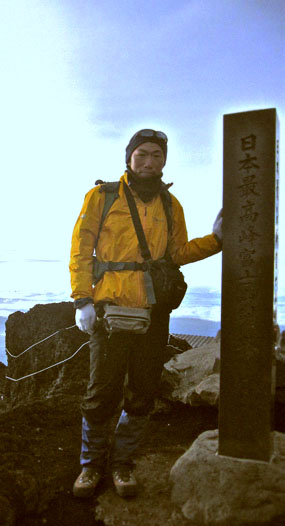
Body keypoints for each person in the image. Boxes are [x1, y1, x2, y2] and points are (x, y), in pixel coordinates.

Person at [69, 128, 222, 498]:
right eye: (142, 154)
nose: (149, 162)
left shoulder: (171, 205)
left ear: (164, 161)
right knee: (101, 393)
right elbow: (81, 247)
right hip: (108, 311)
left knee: (141, 392)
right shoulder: (102, 197)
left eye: (157, 155)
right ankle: (91, 467)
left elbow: (177, 252)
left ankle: (122, 464)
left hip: (153, 313)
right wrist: (82, 299)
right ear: (129, 158)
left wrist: (218, 240)